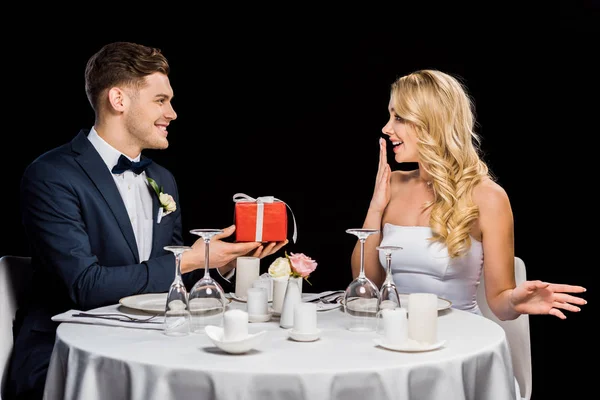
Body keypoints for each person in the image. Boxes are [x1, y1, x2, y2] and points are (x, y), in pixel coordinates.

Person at [7, 41, 288, 400]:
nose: (172, 113)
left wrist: (223, 261)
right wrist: (190, 257)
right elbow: (84, 286)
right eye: (160, 100)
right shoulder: (52, 174)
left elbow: (168, 276)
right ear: (119, 100)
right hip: (67, 352)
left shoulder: (162, 179)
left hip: (151, 338)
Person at [351, 69, 586, 321]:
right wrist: (375, 208)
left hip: (457, 338)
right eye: (390, 115)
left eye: (399, 118)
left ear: (431, 122)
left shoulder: (489, 197)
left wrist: (516, 301)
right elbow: (365, 286)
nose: (386, 128)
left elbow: (500, 303)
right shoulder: (393, 184)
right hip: (393, 332)